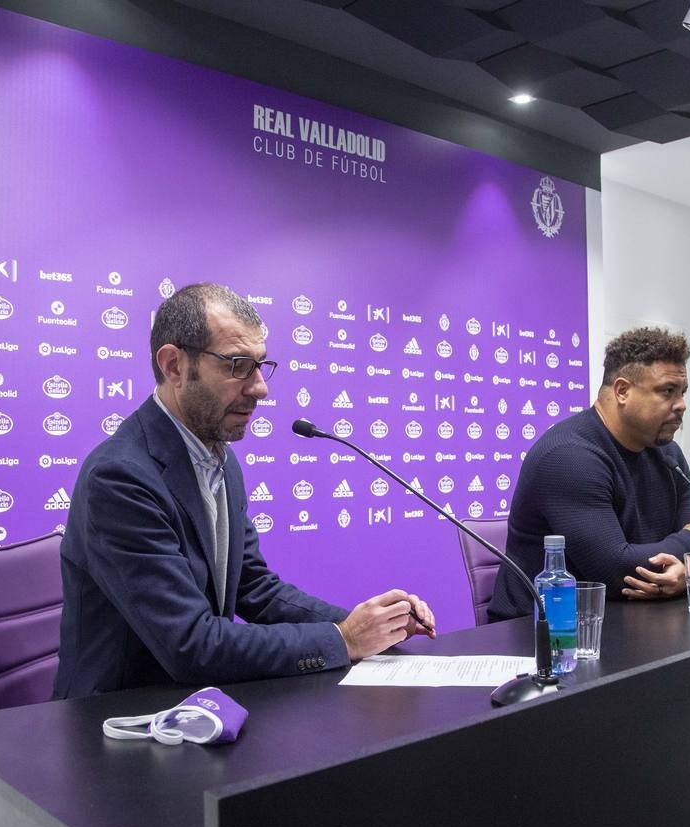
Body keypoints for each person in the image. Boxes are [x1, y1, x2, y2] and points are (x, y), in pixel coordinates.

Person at [53, 283, 435, 698]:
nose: (259, 388)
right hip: (116, 722)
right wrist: (342, 640)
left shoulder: (219, 459)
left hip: (192, 709)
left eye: (259, 365)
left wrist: (368, 625)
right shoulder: (120, 477)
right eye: (237, 365)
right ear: (174, 366)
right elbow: (190, 646)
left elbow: (254, 589)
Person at [488, 327, 690, 621]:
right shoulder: (567, 457)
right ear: (622, 391)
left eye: (682, 392)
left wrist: (685, 573)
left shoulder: (668, 455)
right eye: (667, 391)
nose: (681, 404)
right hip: (543, 632)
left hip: (627, 620)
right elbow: (616, 569)